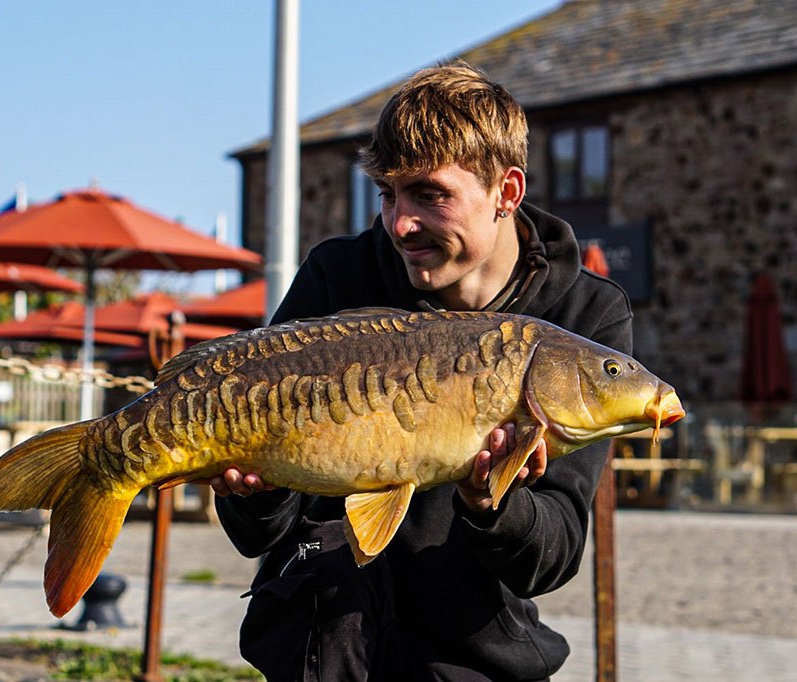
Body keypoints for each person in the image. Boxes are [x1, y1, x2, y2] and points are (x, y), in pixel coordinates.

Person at [212, 62, 632, 681]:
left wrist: (492, 504)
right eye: (388, 195)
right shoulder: (339, 277)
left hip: (471, 655)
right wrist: (260, 487)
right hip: (324, 642)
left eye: (430, 195)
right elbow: (256, 533)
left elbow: (552, 556)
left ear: (507, 192)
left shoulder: (583, 317)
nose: (400, 224)